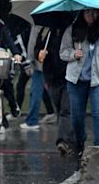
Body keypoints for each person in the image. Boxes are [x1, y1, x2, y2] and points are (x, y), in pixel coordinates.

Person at [60, 9, 99, 162]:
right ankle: (79, 141)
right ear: (82, 14)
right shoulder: (72, 30)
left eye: (96, 13)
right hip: (76, 80)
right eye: (88, 12)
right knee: (77, 117)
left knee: (98, 114)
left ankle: (98, 147)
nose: (92, 16)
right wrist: (73, 54)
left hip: (97, 80)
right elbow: (62, 52)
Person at [35, 27, 75, 156]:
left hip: (68, 76)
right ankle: (71, 139)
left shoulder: (71, 30)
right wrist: (39, 54)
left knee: (66, 109)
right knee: (59, 109)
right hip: (51, 76)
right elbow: (37, 50)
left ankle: (63, 141)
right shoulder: (45, 32)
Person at [20, 26, 55, 130]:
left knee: (35, 92)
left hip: (39, 65)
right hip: (53, 65)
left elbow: (32, 44)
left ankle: (32, 120)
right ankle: (53, 113)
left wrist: (29, 62)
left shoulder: (38, 25)